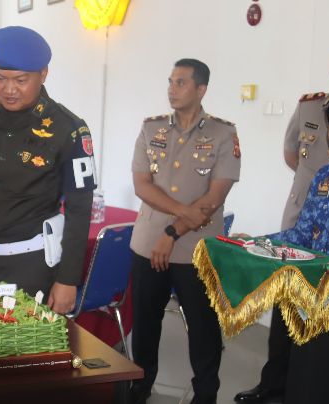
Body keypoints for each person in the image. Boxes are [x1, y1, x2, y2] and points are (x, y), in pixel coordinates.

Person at [235, 40, 329, 404]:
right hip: (315, 309)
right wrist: (255, 243)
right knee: (309, 388)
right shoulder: (324, 177)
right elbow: (302, 235)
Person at [0, 26, 96, 314]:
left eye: (20, 80)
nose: (8, 89)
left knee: (23, 354)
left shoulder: (68, 128)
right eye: (0, 78)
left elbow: (79, 209)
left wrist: (68, 280)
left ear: (43, 74)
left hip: (29, 266)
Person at [129, 59, 240, 404]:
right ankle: (140, 385)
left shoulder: (223, 133)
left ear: (200, 89)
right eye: (170, 82)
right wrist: (180, 213)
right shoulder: (151, 128)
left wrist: (173, 231)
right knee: (145, 324)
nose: (171, 89)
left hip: (196, 249)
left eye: (180, 83)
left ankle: (206, 394)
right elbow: (141, 185)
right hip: (148, 244)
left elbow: (216, 196)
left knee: (203, 328)